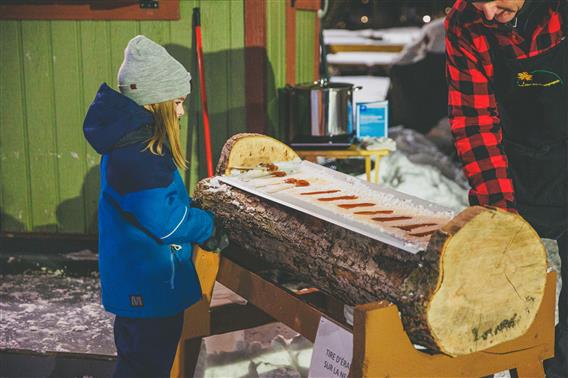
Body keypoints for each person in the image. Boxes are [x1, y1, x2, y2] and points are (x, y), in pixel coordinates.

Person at [83, 35, 228, 377]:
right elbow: (167, 221)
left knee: (142, 364)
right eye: (177, 102)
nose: (181, 111)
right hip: (147, 288)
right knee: (145, 367)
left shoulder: (136, 146)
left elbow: (161, 204)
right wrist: (207, 225)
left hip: (146, 286)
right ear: (155, 101)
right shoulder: (138, 156)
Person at [446, 1, 567, 376]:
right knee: (529, 331)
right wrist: (502, 216)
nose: (485, 10)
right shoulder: (466, 23)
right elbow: (475, 124)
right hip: (524, 179)